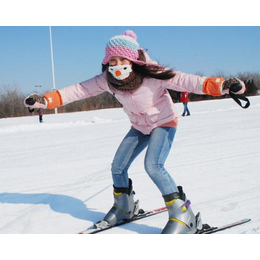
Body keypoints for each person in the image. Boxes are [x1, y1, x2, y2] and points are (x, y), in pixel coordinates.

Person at [24, 30, 246, 234]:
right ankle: (124, 208)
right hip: (139, 126)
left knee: (153, 165)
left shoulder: (153, 73)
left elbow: (189, 81)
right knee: (118, 166)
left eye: (122, 59)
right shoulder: (108, 81)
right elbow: (78, 90)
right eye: (113, 60)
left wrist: (223, 85)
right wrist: (45, 100)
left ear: (133, 60)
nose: (117, 64)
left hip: (163, 123)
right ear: (106, 62)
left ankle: (183, 215)